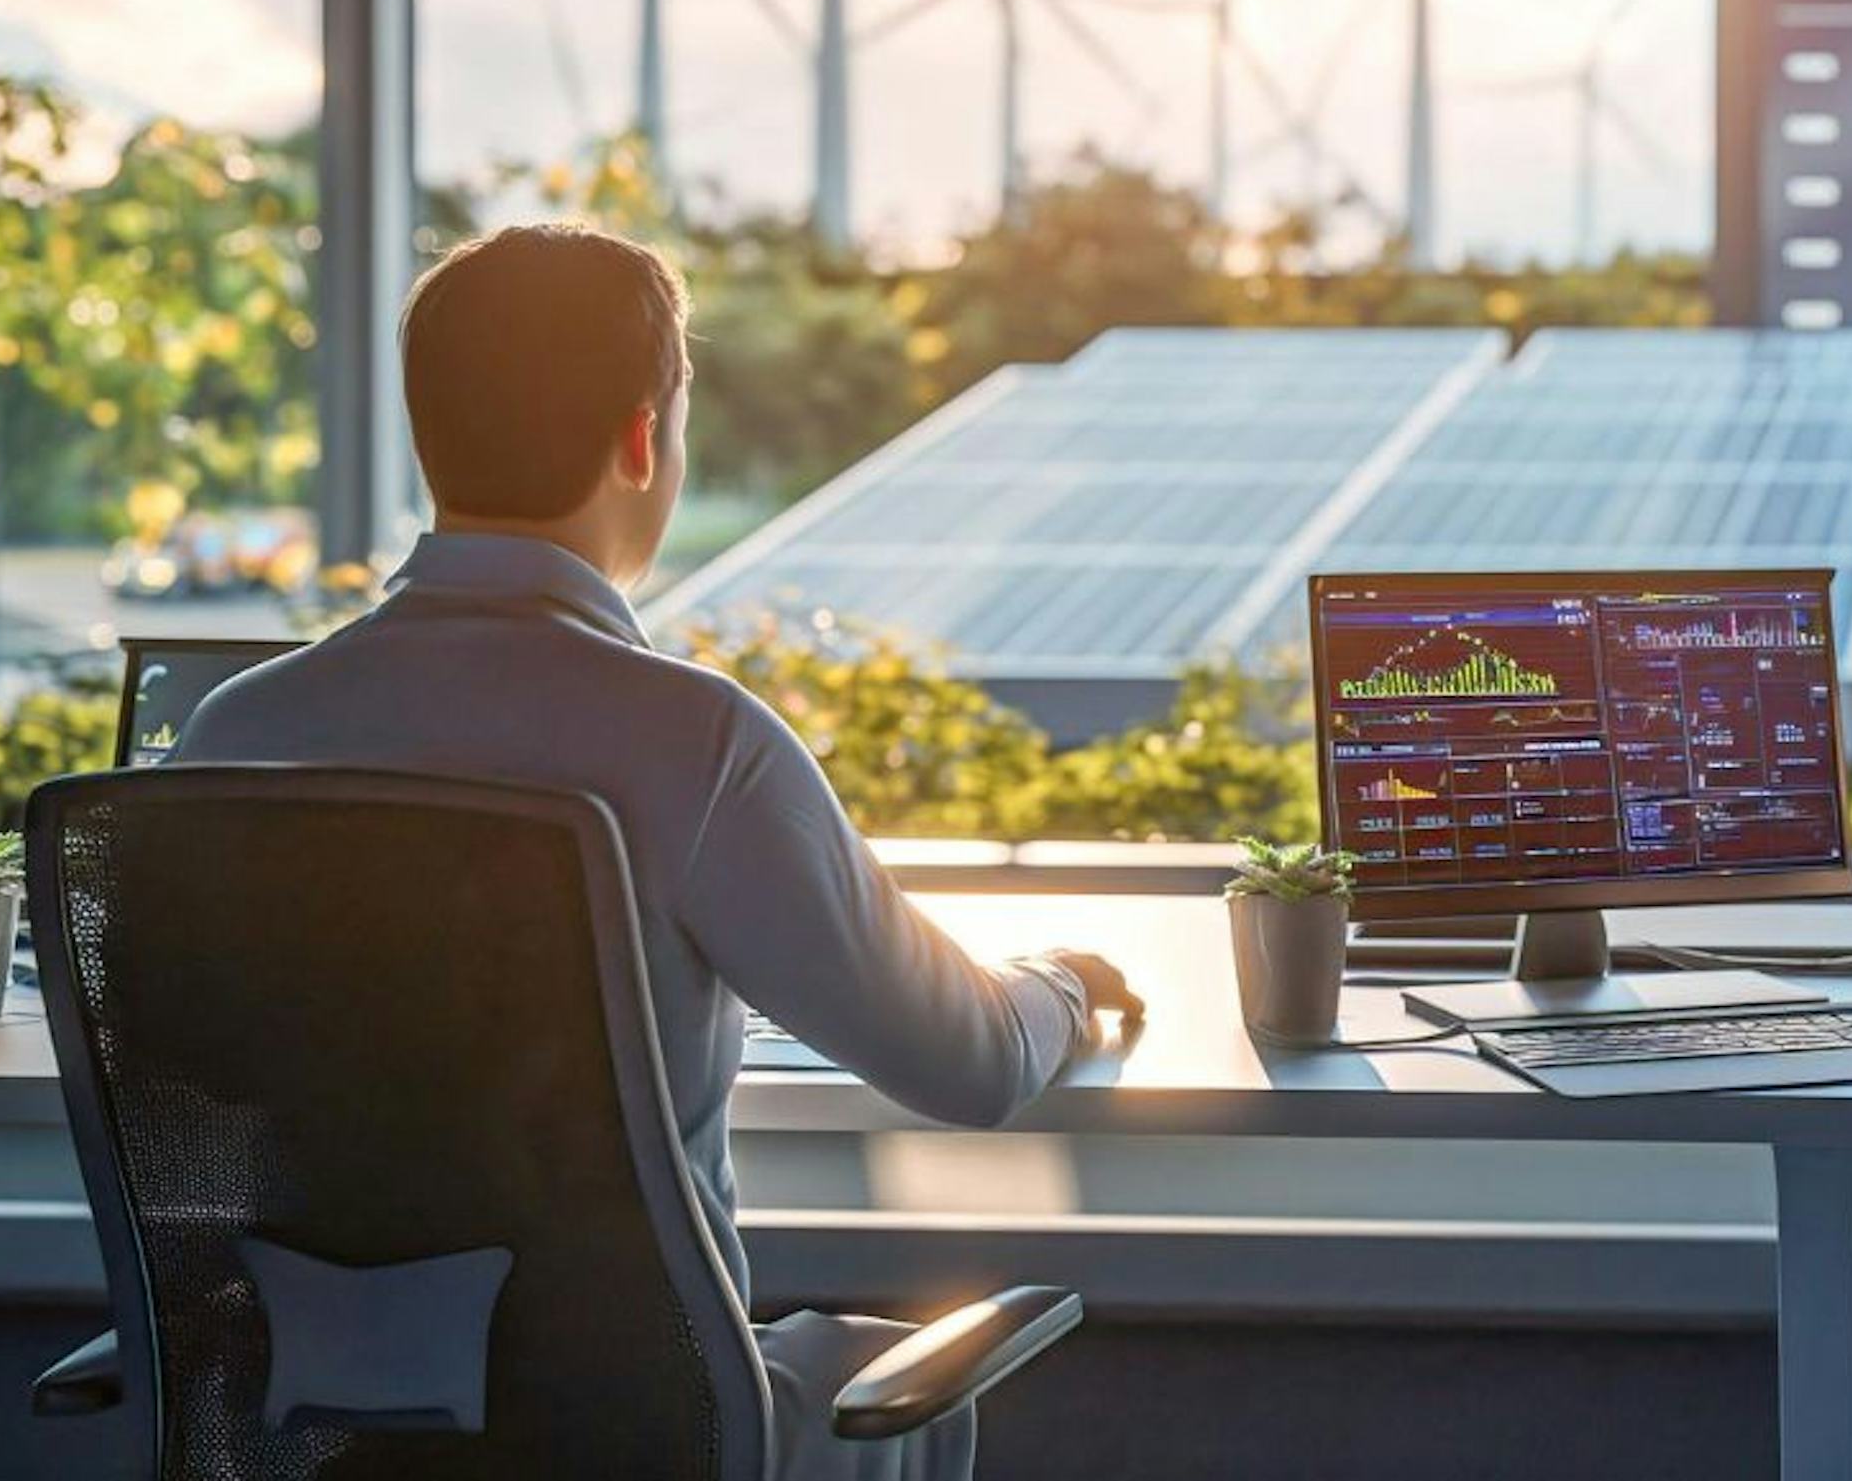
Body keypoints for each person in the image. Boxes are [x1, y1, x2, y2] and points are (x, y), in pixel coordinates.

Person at [171, 222, 1135, 1481]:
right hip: (641, 1428)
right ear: (643, 439)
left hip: (319, 1419)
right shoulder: (696, 741)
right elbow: (967, 1063)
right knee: (868, 1378)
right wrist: (1061, 983)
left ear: (430, 440)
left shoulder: (231, 733)